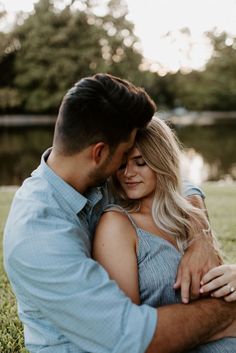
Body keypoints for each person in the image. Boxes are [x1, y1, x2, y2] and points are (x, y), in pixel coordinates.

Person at [3, 73, 236, 353]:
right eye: (124, 155)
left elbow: (177, 184)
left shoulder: (93, 179)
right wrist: (227, 313)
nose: (125, 171)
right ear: (100, 153)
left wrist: (201, 237)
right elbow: (127, 339)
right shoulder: (36, 236)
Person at [93, 117, 236, 352]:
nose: (127, 173)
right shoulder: (117, 225)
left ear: (162, 160)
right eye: (121, 164)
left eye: (140, 162)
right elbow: (128, 332)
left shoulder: (188, 215)